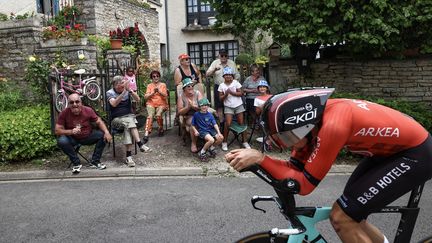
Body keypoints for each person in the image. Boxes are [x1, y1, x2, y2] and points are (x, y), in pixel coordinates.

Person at [225, 88, 432, 243]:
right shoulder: (313, 124)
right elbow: (293, 169)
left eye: (286, 137)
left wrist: (261, 159)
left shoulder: (333, 126)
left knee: (343, 216)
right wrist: (258, 161)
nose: (285, 144)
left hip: (415, 154)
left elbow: (304, 185)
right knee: (353, 214)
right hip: (389, 153)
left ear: (302, 126)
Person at [55, 93, 112, 173]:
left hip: (87, 137)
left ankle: (95, 161)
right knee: (61, 141)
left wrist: (106, 132)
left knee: (103, 135)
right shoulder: (64, 113)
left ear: (81, 102)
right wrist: (71, 131)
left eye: (77, 102)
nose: (74, 104)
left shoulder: (88, 110)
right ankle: (76, 163)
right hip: (72, 138)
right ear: (68, 104)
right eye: (71, 102)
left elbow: (99, 122)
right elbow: (57, 130)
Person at [107, 75, 151, 167]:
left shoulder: (127, 91)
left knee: (129, 126)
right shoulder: (110, 93)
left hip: (128, 119)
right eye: (121, 84)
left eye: (124, 83)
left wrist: (130, 91)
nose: (123, 86)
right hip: (116, 120)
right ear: (115, 85)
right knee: (130, 122)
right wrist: (123, 93)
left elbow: (138, 99)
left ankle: (129, 157)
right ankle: (140, 144)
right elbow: (114, 104)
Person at [218, 67, 250, 151]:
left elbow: (241, 93)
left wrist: (231, 92)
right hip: (228, 106)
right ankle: (224, 142)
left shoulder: (236, 82)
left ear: (232, 76)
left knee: (241, 123)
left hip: (238, 105)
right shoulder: (221, 86)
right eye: (226, 75)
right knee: (227, 124)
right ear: (223, 76)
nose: (228, 76)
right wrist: (226, 94)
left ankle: (245, 141)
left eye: (229, 75)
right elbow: (220, 98)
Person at [206, 49, 240, 122]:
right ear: (219, 56)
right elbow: (207, 74)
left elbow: (237, 75)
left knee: (231, 103)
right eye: (222, 55)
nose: (223, 57)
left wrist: (234, 83)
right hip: (219, 87)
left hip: (230, 86)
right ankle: (221, 123)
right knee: (219, 106)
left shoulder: (232, 63)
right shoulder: (215, 63)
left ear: (227, 56)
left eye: (225, 55)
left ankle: (230, 122)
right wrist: (214, 70)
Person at [173, 53, 203, 125]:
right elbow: (177, 83)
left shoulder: (193, 65)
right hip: (185, 89)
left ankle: (201, 106)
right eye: (186, 59)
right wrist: (189, 83)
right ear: (181, 61)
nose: (188, 60)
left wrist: (200, 83)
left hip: (195, 87)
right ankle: (178, 117)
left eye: (189, 59)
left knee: (200, 89)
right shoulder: (178, 70)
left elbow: (198, 74)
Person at [177, 77, 203, 153]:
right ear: (184, 88)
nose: (191, 87)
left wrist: (194, 107)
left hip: (199, 113)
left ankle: (208, 141)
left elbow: (203, 106)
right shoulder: (181, 96)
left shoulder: (197, 93)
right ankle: (194, 143)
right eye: (188, 86)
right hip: (189, 116)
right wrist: (188, 107)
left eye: (191, 85)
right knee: (193, 123)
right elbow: (180, 112)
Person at [143, 70, 168, 143]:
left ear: (159, 77)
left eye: (157, 76)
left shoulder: (163, 85)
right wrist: (153, 93)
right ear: (152, 78)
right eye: (154, 76)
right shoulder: (149, 86)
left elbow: (166, 96)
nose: (155, 77)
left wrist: (159, 92)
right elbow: (146, 97)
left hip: (161, 104)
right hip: (151, 103)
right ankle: (146, 134)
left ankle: (160, 128)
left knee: (158, 115)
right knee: (150, 116)